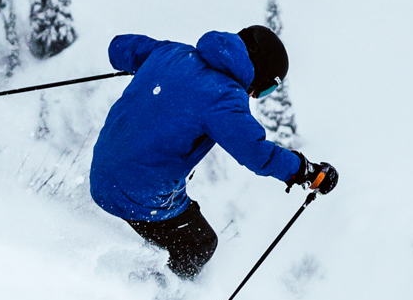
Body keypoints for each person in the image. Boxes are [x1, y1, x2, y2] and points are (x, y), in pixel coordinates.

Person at [89, 23, 338, 278]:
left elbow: (118, 47)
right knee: (199, 243)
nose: (255, 95)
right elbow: (257, 154)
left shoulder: (172, 52)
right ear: (259, 72)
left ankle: (145, 270)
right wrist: (305, 171)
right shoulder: (224, 98)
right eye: (266, 89)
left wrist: (147, 65)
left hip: (99, 175)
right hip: (137, 192)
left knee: (183, 212)